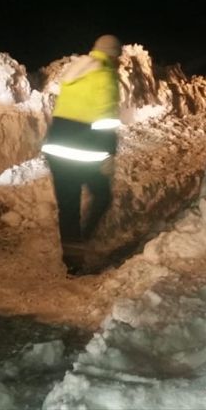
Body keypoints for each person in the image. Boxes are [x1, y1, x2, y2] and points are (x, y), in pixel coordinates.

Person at [41, 34, 122, 275]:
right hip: (83, 151)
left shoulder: (78, 69)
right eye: (119, 57)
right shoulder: (105, 76)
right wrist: (109, 154)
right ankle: (82, 240)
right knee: (103, 196)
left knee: (68, 207)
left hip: (56, 149)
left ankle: (73, 263)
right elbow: (105, 122)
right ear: (113, 55)